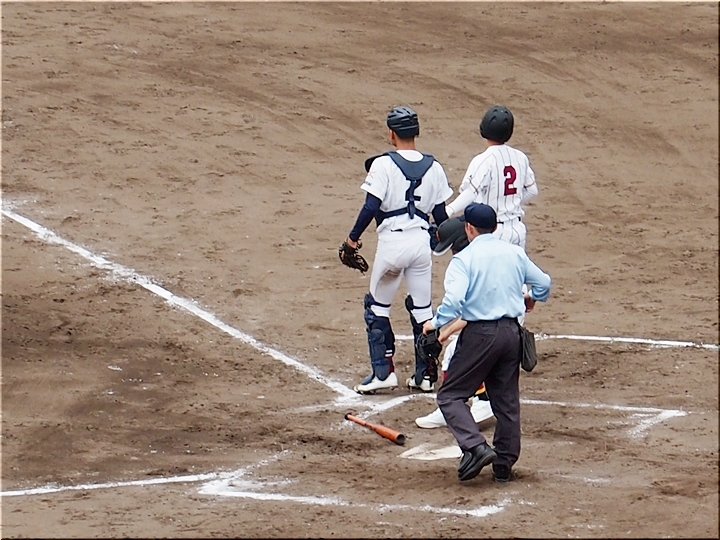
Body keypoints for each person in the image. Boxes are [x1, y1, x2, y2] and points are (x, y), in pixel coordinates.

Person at [422, 203, 551, 483]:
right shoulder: (514, 253)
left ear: (469, 228)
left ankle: (475, 446)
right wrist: (530, 298)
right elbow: (543, 283)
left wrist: (435, 323)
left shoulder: (464, 260)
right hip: (511, 334)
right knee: (506, 402)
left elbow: (454, 301)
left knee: (450, 396)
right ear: (494, 227)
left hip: (480, 336)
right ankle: (503, 465)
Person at [342, 105, 454, 394]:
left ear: (391, 133)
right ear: (416, 132)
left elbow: (371, 206)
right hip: (421, 246)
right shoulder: (435, 167)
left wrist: (352, 240)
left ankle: (383, 373)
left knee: (377, 307)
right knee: (423, 311)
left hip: (392, 245)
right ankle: (425, 376)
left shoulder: (382, 164)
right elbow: (441, 217)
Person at [414, 218, 494, 429]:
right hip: (508, 322)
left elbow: (472, 311)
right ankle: (460, 405)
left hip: (492, 326)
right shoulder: (493, 254)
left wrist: (440, 327)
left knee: (455, 354)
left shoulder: (463, 265)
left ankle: (479, 401)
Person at [445, 105, 538, 251]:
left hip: (494, 232)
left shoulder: (484, 160)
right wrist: (509, 203)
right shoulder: (520, 157)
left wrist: (449, 210)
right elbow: (532, 191)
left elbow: (470, 193)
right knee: (516, 266)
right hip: (518, 230)